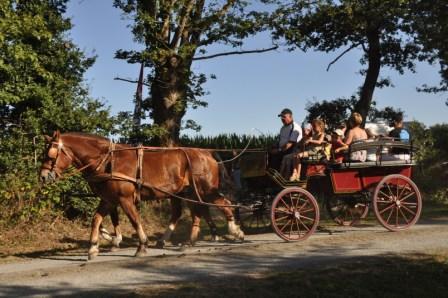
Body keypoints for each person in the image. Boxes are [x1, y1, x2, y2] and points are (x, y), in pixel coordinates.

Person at [270, 108, 302, 177]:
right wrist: (274, 146)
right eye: (281, 117)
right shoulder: (283, 128)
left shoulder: (295, 127)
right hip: (283, 149)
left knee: (279, 157)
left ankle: (282, 177)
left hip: (293, 150)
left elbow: (290, 144)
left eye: (284, 117)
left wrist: (278, 150)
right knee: (267, 155)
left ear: (290, 116)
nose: (282, 119)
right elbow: (281, 141)